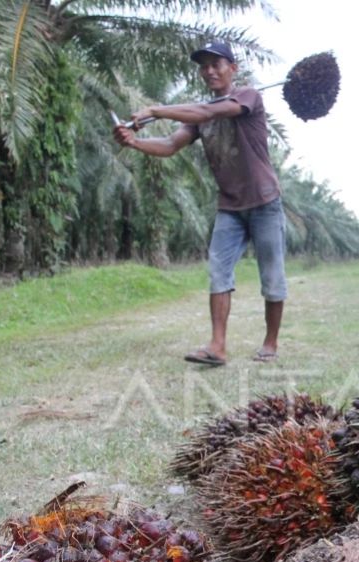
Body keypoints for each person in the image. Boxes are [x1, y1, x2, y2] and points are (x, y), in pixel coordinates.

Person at [113, 41, 285, 366]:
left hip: (265, 202)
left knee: (273, 277)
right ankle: (217, 346)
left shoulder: (248, 96)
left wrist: (154, 110)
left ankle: (270, 342)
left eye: (216, 64)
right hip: (230, 206)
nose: (209, 70)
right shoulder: (198, 118)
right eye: (204, 66)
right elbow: (168, 144)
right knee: (219, 271)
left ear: (232, 68)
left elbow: (209, 111)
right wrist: (134, 142)